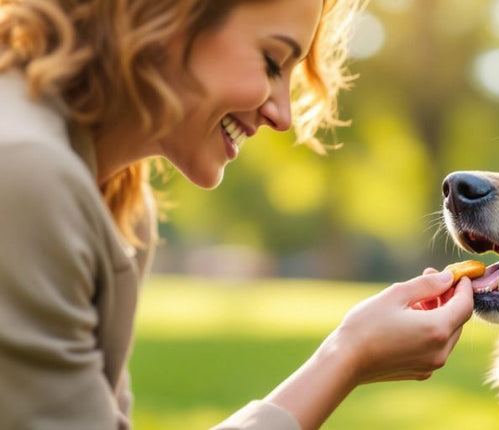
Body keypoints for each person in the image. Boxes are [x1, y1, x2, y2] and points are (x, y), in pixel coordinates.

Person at [0, 0, 474, 429]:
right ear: (167, 15)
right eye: (271, 61)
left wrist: (348, 352)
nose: (282, 115)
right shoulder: (28, 173)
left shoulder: (122, 202)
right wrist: (346, 357)